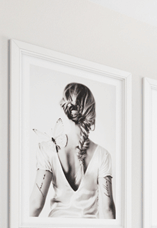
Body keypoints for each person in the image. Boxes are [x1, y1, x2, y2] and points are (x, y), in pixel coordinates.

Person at [29, 82, 115, 219]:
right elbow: (107, 209)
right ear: (91, 111)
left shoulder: (48, 149)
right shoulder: (102, 155)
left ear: (67, 108)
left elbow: (36, 204)